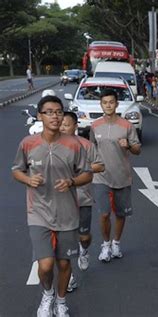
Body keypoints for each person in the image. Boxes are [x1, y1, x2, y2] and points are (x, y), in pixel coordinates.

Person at [12, 95, 92, 317]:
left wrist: (72, 182)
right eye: (49, 112)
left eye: (58, 111)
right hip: (38, 212)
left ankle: (61, 300)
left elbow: (87, 174)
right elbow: (16, 170)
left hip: (67, 214)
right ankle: (47, 295)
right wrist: (28, 180)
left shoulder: (74, 144)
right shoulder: (28, 144)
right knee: (46, 265)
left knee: (64, 264)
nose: (55, 116)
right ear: (40, 116)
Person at [90, 89, 141, 263]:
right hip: (101, 176)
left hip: (122, 175)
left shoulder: (127, 126)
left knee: (120, 214)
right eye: (105, 102)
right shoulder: (95, 126)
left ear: (117, 104)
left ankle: (116, 243)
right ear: (101, 104)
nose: (108, 105)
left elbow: (137, 150)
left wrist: (128, 146)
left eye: (111, 102)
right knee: (104, 214)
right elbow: (91, 148)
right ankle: (105, 244)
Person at [59, 112, 104, 292]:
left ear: (75, 126)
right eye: (60, 124)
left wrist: (80, 170)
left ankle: (84, 250)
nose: (62, 127)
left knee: (83, 237)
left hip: (82, 199)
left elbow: (100, 165)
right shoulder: (52, 146)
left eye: (66, 125)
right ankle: (68, 277)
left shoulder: (86, 145)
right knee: (65, 240)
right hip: (60, 201)